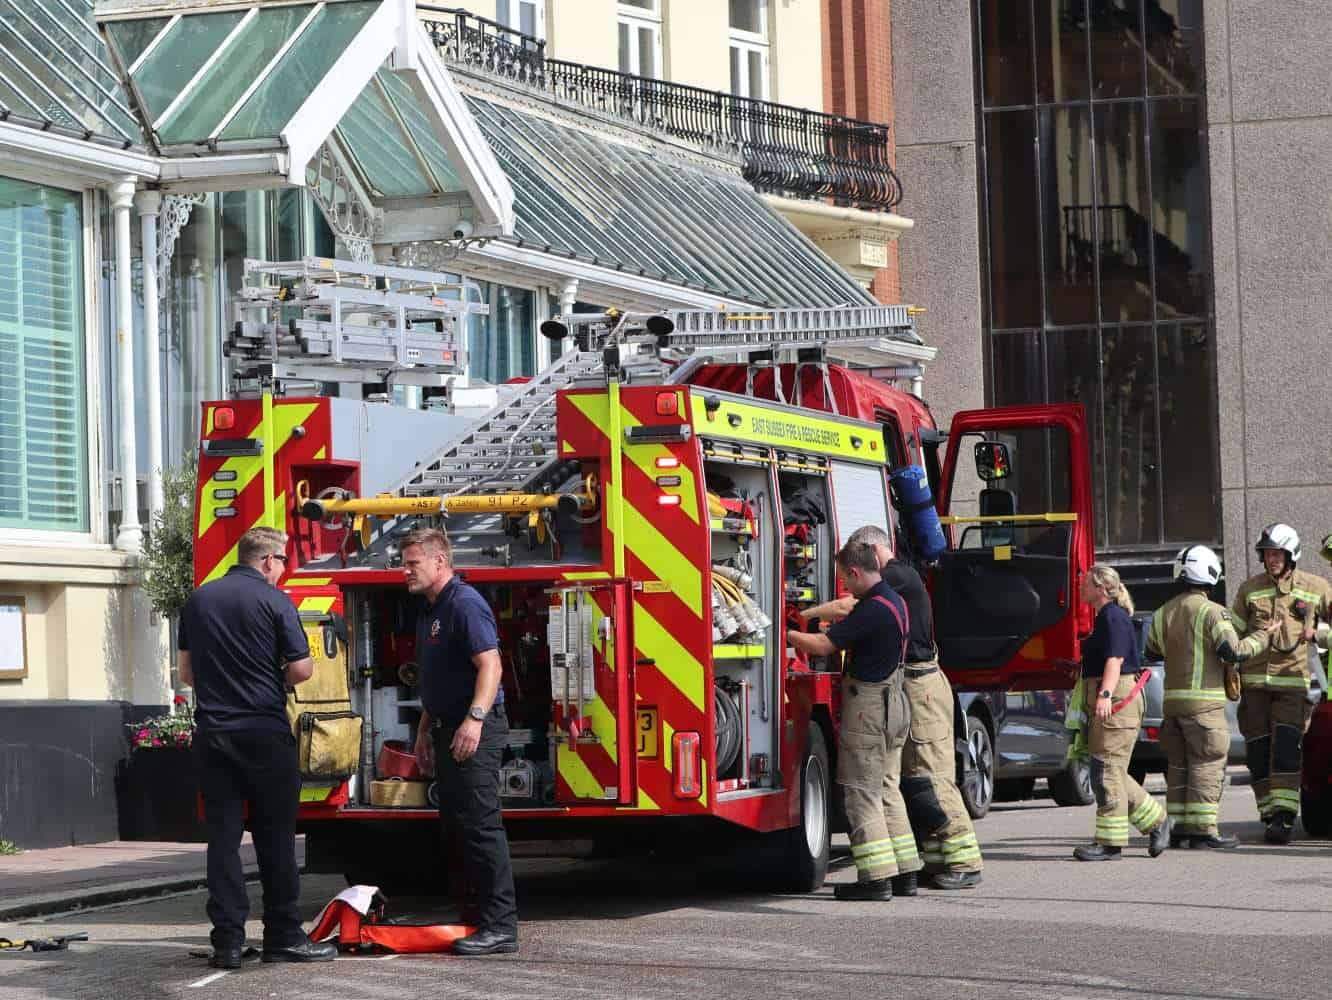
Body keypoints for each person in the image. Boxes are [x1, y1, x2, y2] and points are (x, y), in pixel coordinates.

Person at [178, 526, 336, 968]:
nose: (283, 569)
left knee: (223, 842)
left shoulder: (198, 600)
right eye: (282, 561)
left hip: (214, 735)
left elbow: (186, 673)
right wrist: (271, 679)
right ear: (267, 560)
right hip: (264, 733)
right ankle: (283, 936)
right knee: (276, 840)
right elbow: (302, 669)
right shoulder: (275, 601)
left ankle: (227, 942)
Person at [806, 525, 982, 890]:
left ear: (872, 551)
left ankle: (965, 861)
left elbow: (848, 607)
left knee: (932, 777)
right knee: (910, 780)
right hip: (911, 687)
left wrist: (801, 616)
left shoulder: (895, 577)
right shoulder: (902, 577)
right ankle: (935, 860)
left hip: (921, 688)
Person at [406, 528, 518, 956]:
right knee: (457, 826)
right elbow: (438, 680)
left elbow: (491, 666)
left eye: (413, 563)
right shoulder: (431, 609)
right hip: (446, 727)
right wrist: (423, 731)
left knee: (480, 825)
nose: (405, 571)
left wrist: (474, 720)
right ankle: (474, 917)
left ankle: (501, 927)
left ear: (439, 562)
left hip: (473, 730)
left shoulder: (464, 604)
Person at [787, 541, 920, 900]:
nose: (844, 585)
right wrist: (810, 613)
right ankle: (905, 872)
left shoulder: (872, 610)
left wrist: (786, 635)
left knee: (861, 792)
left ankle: (875, 879)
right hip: (894, 703)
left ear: (856, 572)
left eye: (845, 578)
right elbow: (845, 609)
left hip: (869, 708)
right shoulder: (893, 601)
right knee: (888, 788)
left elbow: (823, 646)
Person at [1146, 546, 1273, 850]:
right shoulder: (1213, 611)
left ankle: (1178, 828)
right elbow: (1232, 651)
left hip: (1172, 706)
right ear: (1210, 573)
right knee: (1207, 764)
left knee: (1179, 767)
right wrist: (1263, 636)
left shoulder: (1162, 613)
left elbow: (1151, 651)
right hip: (1204, 707)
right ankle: (1203, 831)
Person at [1230, 523, 1332, 843]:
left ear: (1291, 555)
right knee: (1258, 754)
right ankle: (1269, 813)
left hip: (1292, 684)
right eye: (1267, 554)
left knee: (1287, 751)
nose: (1271, 559)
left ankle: (1284, 817)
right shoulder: (1249, 589)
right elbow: (1233, 634)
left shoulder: (1317, 587)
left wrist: (1318, 634)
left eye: (1277, 554)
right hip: (1254, 688)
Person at [1073, 563, 1170, 861]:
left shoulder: (1112, 616)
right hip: (1113, 700)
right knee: (1110, 770)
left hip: (1115, 701)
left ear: (1101, 588)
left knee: (1106, 771)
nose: (1080, 586)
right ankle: (1158, 822)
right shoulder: (1108, 616)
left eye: (1086, 582)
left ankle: (1110, 843)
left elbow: (1114, 660)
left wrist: (1104, 694)